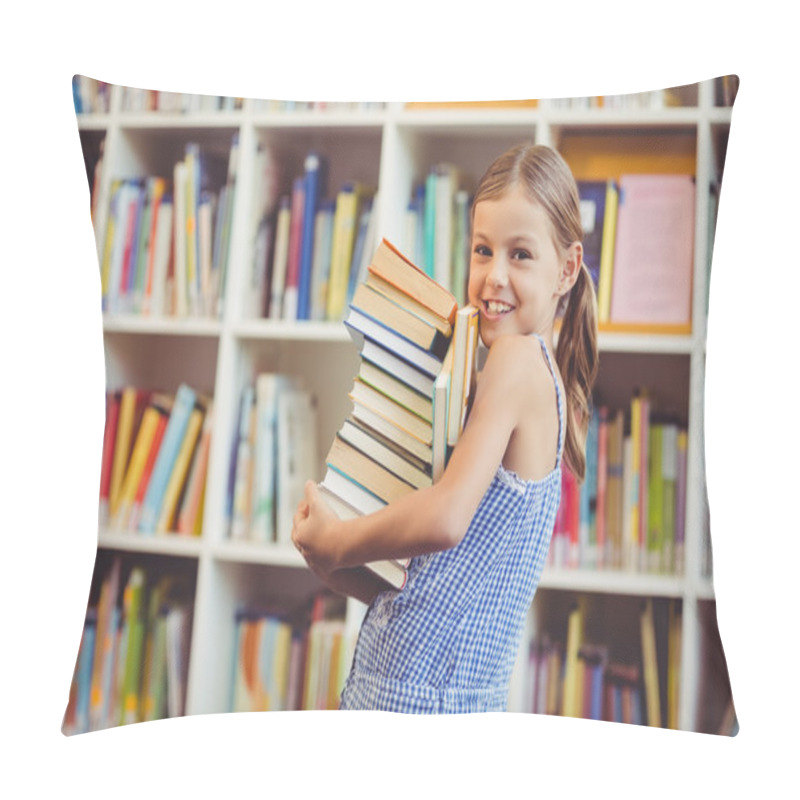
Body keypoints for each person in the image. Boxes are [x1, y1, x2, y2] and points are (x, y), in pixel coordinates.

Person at [291, 142, 599, 713]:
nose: (493, 277)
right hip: (430, 691)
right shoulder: (519, 377)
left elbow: (447, 517)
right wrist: (339, 569)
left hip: (417, 699)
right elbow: (438, 583)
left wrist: (338, 541)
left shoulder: (516, 363)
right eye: (483, 251)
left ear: (568, 268)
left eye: (521, 255)